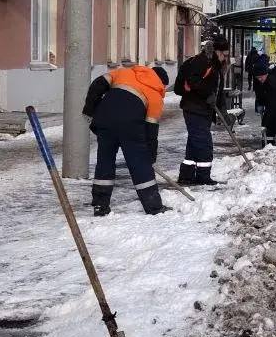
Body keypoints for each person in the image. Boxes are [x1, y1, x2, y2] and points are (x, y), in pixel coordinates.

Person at [82, 63, 170, 217]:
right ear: (161, 83)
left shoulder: (124, 72)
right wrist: (150, 157)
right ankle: (153, 207)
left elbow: (97, 84)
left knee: (105, 161)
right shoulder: (155, 96)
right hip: (130, 125)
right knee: (139, 163)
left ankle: (100, 205)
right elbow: (151, 131)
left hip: (104, 119)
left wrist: (89, 111)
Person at [176, 34, 230, 186]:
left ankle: (186, 176)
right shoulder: (201, 62)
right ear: (217, 52)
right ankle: (203, 176)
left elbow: (217, 91)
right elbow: (193, 82)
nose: (225, 58)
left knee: (194, 142)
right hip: (194, 108)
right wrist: (207, 94)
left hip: (204, 110)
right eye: (224, 55)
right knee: (204, 142)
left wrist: (222, 110)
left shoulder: (216, 66)